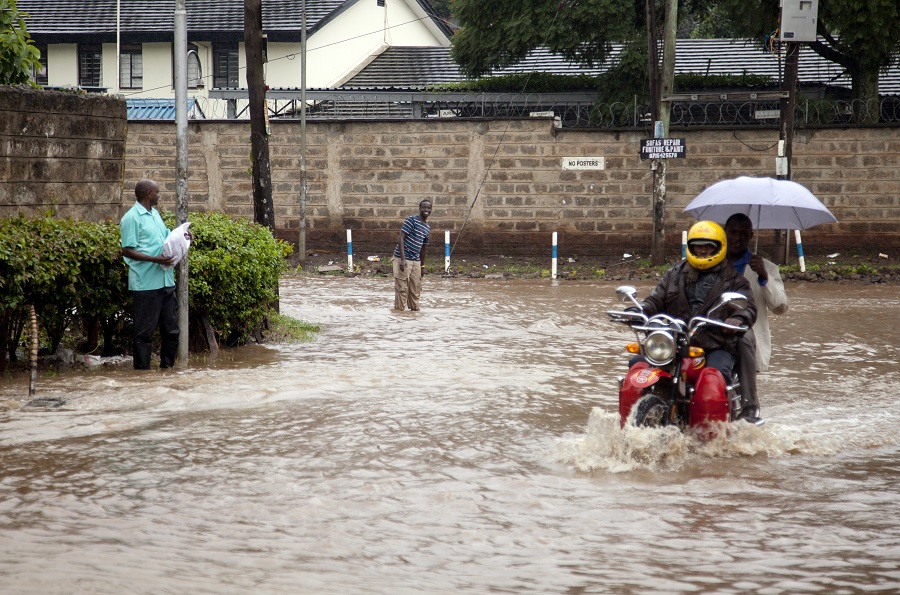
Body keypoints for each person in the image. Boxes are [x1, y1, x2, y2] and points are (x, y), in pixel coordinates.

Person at [636, 220, 757, 400]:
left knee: (714, 378)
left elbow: (748, 306)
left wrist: (738, 318)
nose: (703, 251)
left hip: (715, 342)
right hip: (675, 343)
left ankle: (716, 423)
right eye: (698, 247)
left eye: (709, 247)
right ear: (690, 248)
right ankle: (635, 420)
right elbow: (655, 299)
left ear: (719, 248)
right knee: (637, 365)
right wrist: (640, 310)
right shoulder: (674, 274)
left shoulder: (734, 279)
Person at [725, 213, 789, 422]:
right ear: (724, 233)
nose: (737, 238)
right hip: (713, 333)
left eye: (744, 234)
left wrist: (764, 277)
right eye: (733, 232)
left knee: (743, 341)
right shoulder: (710, 263)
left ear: (751, 236)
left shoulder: (766, 267)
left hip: (747, 339)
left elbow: (780, 306)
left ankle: (750, 406)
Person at [120, 179, 180, 370]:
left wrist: (183, 237)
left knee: (171, 331)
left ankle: (167, 370)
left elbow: (165, 238)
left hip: (165, 280)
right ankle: (142, 374)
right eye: (157, 192)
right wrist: (156, 260)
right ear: (148, 194)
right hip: (146, 284)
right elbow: (127, 250)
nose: (159, 195)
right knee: (143, 334)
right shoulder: (131, 218)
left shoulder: (154, 214)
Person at [392, 199, 432, 311]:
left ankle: (414, 313)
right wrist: (403, 260)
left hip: (416, 261)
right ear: (419, 208)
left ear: (431, 210)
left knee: (416, 289)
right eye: (424, 207)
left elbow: (424, 248)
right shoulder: (412, 220)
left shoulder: (427, 227)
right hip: (403, 258)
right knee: (402, 288)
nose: (426, 210)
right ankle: (399, 313)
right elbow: (400, 238)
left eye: (428, 208)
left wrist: (422, 267)